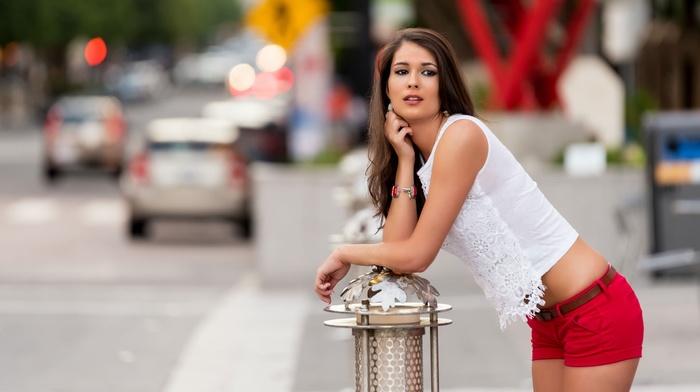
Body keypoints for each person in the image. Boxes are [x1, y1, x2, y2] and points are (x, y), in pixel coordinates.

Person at [314, 28, 644, 392]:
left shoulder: (460, 136)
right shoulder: (421, 157)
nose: (414, 82)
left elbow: (416, 255)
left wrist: (344, 252)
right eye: (402, 71)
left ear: (445, 84)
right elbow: (398, 246)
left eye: (428, 71)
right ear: (387, 88)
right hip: (548, 321)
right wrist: (405, 159)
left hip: (594, 309)